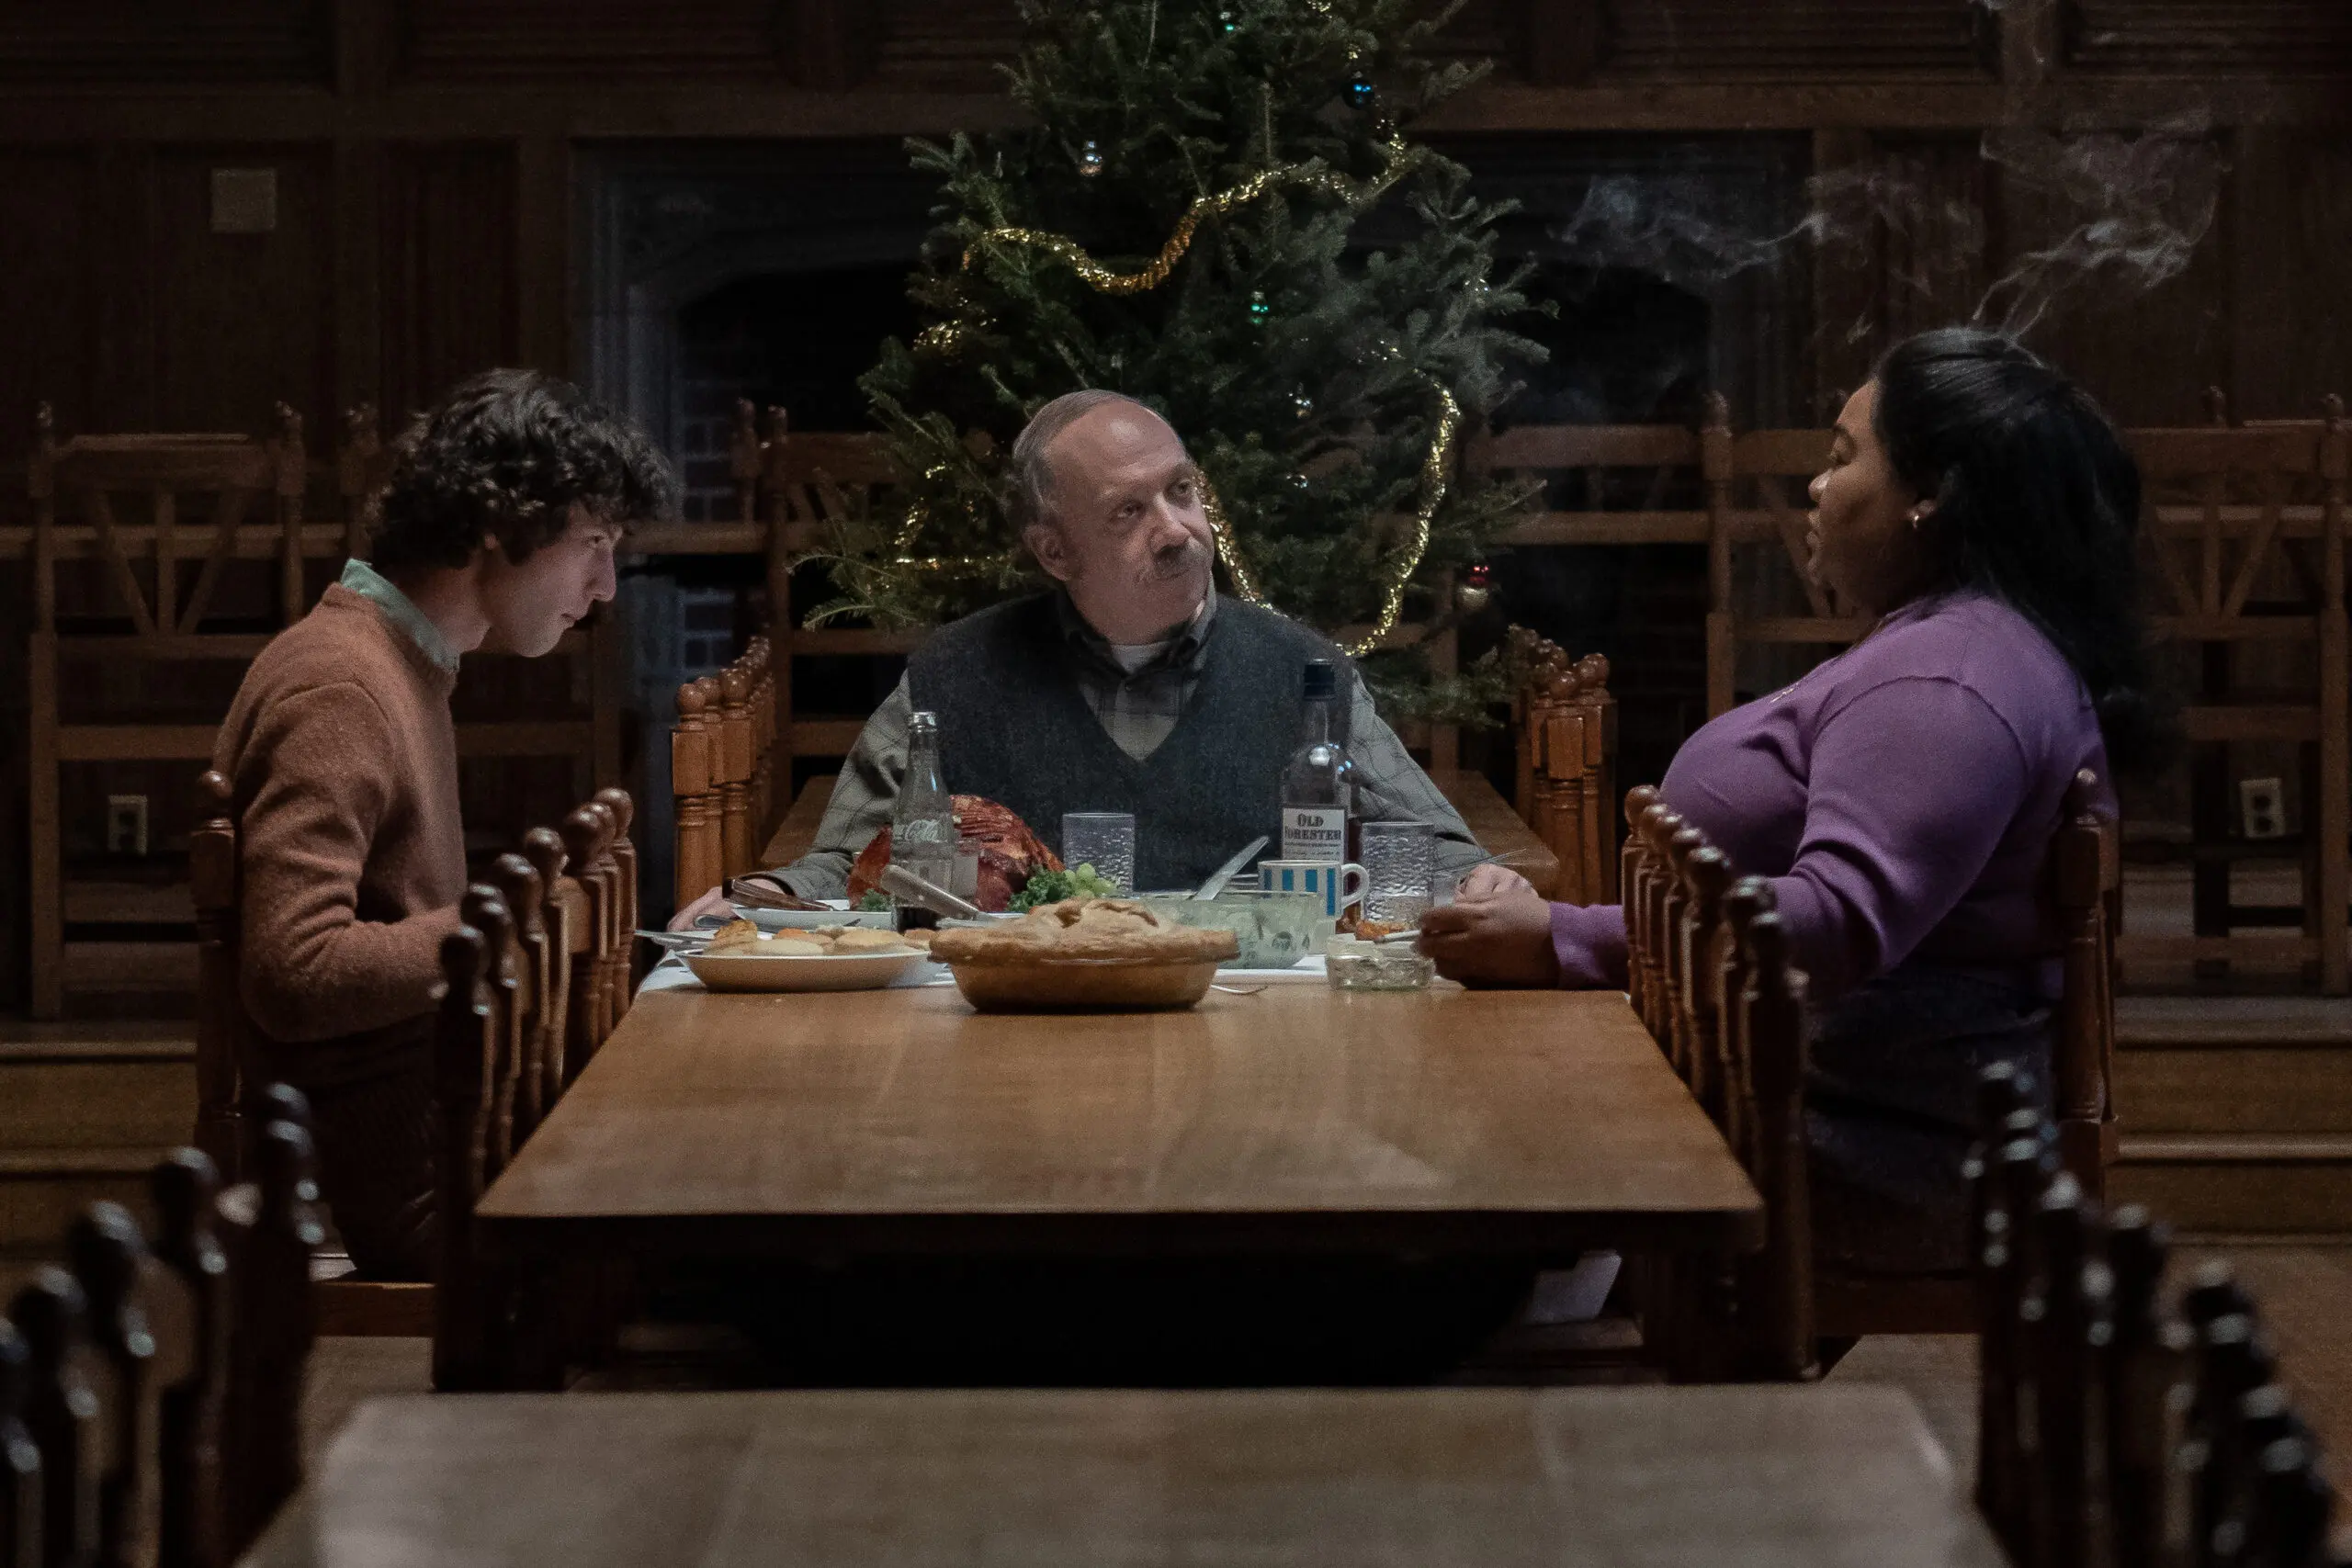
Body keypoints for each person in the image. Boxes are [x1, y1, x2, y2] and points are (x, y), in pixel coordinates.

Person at [1421, 328, 2168, 1270]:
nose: (1817, 486)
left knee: (1432, 1137)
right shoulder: (1949, 643)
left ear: (1930, 495)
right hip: (1805, 1095)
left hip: (1857, 1143)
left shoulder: (1948, 676)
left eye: (1843, 457)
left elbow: (1832, 921)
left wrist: (1561, 938)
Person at [676, 389, 1515, 919]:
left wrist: (1482, 883)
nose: (1178, 530)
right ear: (1054, 551)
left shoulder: (1306, 672)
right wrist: (766, 897)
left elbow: (1437, 847)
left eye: (1181, 491)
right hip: (1020, 1043)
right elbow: (848, 862)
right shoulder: (957, 674)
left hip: (1255, 1034)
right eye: (1128, 512)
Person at [215, 369, 675, 1280]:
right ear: (501, 524)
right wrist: (515, 921)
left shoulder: (397, 665)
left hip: (458, 1140)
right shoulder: (342, 686)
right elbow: (292, 971)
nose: (605, 588)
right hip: (424, 1196)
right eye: (593, 543)